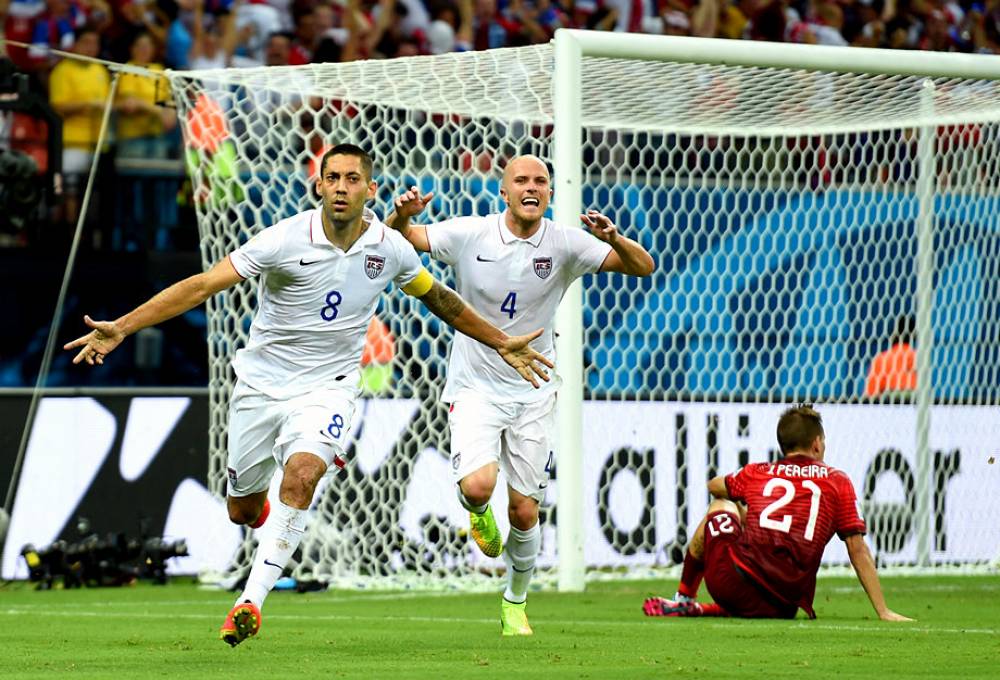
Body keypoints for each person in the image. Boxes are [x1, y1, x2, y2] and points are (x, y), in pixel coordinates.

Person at [63, 144, 553, 647]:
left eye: (352, 179)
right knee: (243, 511)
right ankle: (271, 523)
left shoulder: (389, 247)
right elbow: (204, 285)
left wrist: (500, 341)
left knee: (302, 475)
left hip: (328, 389)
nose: (341, 187)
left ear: (370, 189)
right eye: (332, 177)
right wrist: (123, 326)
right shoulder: (284, 238)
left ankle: (250, 601)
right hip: (261, 386)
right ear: (318, 185)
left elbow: (440, 299)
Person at [387, 154, 655, 635]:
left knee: (525, 510)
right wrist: (403, 216)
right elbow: (401, 239)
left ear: (549, 192)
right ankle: (477, 514)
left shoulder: (566, 243)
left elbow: (643, 267)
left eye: (540, 181)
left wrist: (614, 239)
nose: (531, 187)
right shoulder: (470, 233)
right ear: (504, 191)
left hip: (533, 390)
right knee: (477, 487)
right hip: (475, 386)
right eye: (521, 181)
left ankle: (515, 601)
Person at [642, 405, 913, 622]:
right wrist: (883, 611)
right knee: (762, 595)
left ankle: (685, 598)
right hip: (784, 604)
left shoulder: (759, 472)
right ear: (817, 444)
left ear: (783, 445)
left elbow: (714, 485)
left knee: (721, 504)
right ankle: (703, 608)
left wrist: (742, 509)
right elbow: (857, 548)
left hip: (731, 583)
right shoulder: (837, 481)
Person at [864, 314, 916, 399]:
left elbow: (871, 395)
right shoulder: (919, 359)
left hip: (889, 404)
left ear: (893, 334)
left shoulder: (882, 359)